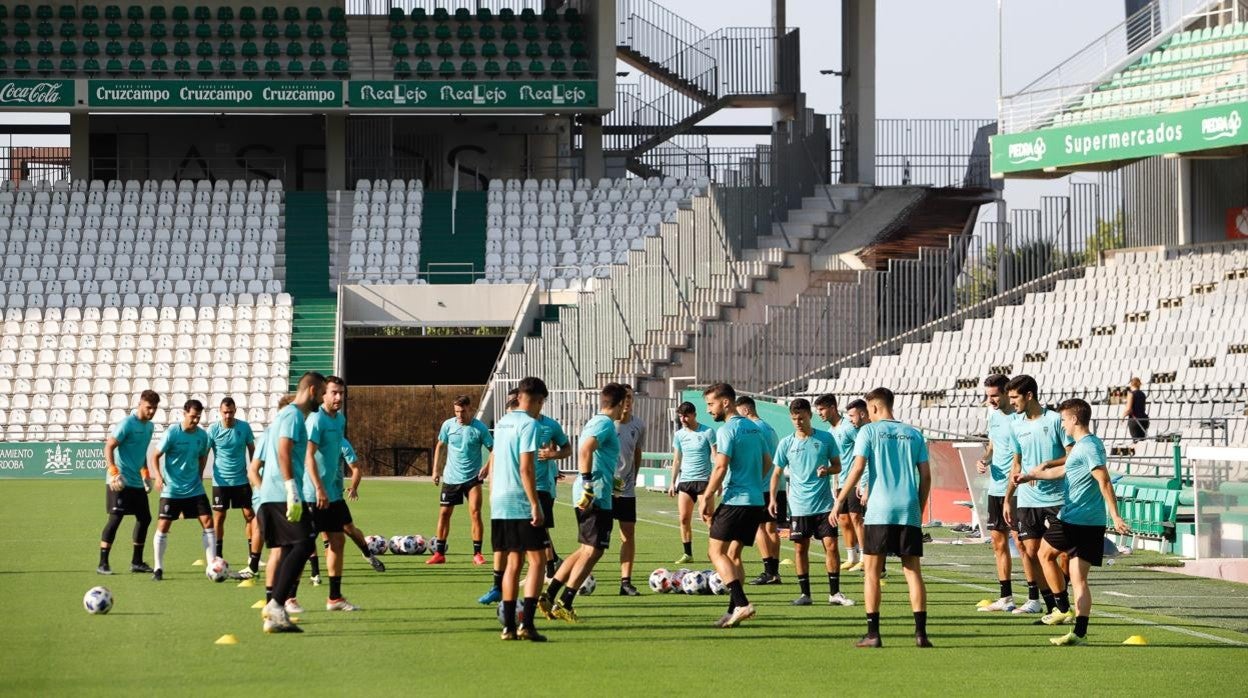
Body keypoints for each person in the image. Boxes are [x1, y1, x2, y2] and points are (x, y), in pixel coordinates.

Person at [1013, 398, 1130, 645]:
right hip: (1087, 522)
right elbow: (1062, 471)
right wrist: (1031, 475)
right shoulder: (1084, 445)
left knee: (1043, 554)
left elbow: (1104, 480)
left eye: (1064, 419)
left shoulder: (1088, 447)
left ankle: (1062, 607)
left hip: (1075, 519)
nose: (1062, 424)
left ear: (1075, 419)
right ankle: (1079, 633)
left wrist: (1116, 515)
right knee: (1078, 578)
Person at [830, 387, 932, 648]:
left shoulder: (868, 431)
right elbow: (926, 476)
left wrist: (840, 500)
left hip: (880, 509)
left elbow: (858, 467)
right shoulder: (914, 433)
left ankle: (873, 634)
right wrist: (917, 508)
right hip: (908, 508)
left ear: (873, 407)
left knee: (872, 573)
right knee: (913, 572)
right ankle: (921, 634)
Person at [539, 383, 627, 623]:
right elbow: (586, 449)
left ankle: (549, 595)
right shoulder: (605, 423)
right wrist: (589, 483)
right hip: (595, 494)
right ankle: (564, 603)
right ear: (621, 403)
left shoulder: (598, 421)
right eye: (626, 404)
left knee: (585, 549)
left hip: (598, 490)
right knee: (593, 550)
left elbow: (593, 453)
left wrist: (610, 479)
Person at [256, 371, 327, 634]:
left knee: (287, 549)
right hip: (279, 493)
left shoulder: (289, 416)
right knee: (305, 542)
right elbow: (284, 450)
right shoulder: (293, 416)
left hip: (274, 494)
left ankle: (273, 616)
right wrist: (291, 489)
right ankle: (276, 604)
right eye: (321, 393)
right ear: (311, 391)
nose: (321, 399)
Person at [1003, 374, 1074, 617]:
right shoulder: (1015, 424)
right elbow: (1017, 463)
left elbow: (1072, 455)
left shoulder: (1055, 420)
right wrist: (1007, 498)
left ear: (1029, 395)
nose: (1011, 402)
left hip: (1057, 498)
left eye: (1015, 397)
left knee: (1060, 555)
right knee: (1032, 553)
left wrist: (1046, 465)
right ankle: (1054, 607)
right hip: (1027, 500)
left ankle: (1062, 599)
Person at [700, 383, 769, 628]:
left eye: (711, 404)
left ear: (726, 402)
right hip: (755, 500)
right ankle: (733, 611)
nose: (708, 410)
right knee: (732, 555)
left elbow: (720, 466)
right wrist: (752, 481)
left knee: (715, 552)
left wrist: (708, 496)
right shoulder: (753, 427)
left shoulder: (727, 430)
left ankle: (741, 603)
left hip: (736, 500)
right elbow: (767, 461)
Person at [773, 398, 853, 607]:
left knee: (832, 546)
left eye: (801, 418)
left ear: (809, 415)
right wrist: (773, 497)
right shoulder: (786, 443)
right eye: (794, 419)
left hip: (824, 506)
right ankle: (805, 594)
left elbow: (838, 466)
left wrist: (827, 470)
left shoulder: (825, 439)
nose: (798, 422)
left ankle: (834, 593)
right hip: (799, 507)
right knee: (800, 549)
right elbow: (776, 472)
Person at [490, 376, 550, 642]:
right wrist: (535, 504)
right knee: (537, 561)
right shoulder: (529, 424)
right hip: (519, 501)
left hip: (499, 501)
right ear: (537, 400)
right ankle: (527, 623)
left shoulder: (503, 422)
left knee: (513, 562)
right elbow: (526, 468)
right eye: (541, 403)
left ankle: (508, 627)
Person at [305, 376, 359, 612]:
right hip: (312, 494)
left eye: (341, 393)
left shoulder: (339, 420)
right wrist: (318, 487)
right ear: (323, 395)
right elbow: (308, 457)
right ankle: (286, 598)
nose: (338, 397)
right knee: (302, 547)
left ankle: (334, 598)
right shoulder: (316, 420)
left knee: (337, 540)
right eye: (334, 393)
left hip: (332, 496)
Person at [149, 399, 214, 582]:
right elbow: (155, 455)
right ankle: (158, 568)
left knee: (208, 522)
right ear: (184, 413)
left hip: (194, 487)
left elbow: (202, 456)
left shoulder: (202, 435)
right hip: (172, 490)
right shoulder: (172, 433)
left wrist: (200, 474)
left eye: (198, 417)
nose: (195, 420)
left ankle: (211, 566)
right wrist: (158, 477)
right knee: (163, 526)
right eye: (193, 416)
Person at [97, 390, 159, 575]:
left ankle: (137, 562)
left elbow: (140, 452)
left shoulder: (149, 427)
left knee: (145, 518)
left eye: (155, 408)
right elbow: (109, 446)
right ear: (140, 404)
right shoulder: (127, 424)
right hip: (120, 481)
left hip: (136, 482)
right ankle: (103, 563)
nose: (151, 412)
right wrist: (113, 472)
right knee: (115, 519)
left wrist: (146, 472)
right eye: (149, 408)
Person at [430, 395, 494, 565]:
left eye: (463, 411)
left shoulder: (480, 428)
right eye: (457, 411)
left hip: (473, 478)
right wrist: (436, 469)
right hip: (451, 477)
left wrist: (487, 467)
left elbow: (494, 450)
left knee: (475, 512)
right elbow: (440, 446)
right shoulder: (448, 425)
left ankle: (477, 554)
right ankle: (439, 554)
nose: (460, 414)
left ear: (469, 409)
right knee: (444, 514)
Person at [975, 374, 1020, 612]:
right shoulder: (993, 417)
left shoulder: (1019, 417)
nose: (990, 400)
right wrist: (984, 459)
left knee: (1023, 545)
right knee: (997, 542)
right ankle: (1006, 597)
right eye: (987, 395)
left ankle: (1035, 598)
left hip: (1015, 490)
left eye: (994, 395)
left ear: (1006, 392)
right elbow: (992, 446)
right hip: (996, 487)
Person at [735, 396, 783, 586]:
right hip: (776, 485)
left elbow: (761, 458)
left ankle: (768, 572)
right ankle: (775, 572)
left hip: (761, 485)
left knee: (759, 528)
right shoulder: (769, 428)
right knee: (771, 529)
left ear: (746, 411)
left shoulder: (754, 428)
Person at [207, 397, 257, 578]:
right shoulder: (213, 429)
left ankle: (252, 556)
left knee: (250, 515)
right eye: (225, 412)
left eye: (231, 412)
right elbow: (204, 453)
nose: (228, 415)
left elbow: (252, 449)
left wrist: (253, 471)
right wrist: (198, 475)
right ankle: (217, 557)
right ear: (220, 412)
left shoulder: (244, 427)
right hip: (220, 482)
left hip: (241, 480)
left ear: (235, 411)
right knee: (219, 517)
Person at [815, 394, 866, 571]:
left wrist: (862, 480)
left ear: (832, 408)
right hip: (839, 482)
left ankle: (865, 557)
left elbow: (862, 451)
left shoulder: (849, 427)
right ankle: (851, 557)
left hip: (853, 480)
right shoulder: (830, 433)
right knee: (843, 519)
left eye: (821, 409)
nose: (819, 413)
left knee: (856, 517)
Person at [667, 401, 715, 564]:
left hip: (704, 482)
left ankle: (715, 551)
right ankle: (688, 554)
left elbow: (715, 457)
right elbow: (677, 459)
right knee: (683, 519)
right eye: (681, 416)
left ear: (694, 415)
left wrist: (718, 481)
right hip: (686, 481)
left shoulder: (708, 432)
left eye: (686, 416)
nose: (683, 419)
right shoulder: (679, 435)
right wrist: (672, 482)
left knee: (708, 518)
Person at [614, 385, 647, 596]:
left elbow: (636, 451)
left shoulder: (638, 424)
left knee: (628, 534)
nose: (627, 400)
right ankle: (576, 581)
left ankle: (626, 582)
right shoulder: (606, 423)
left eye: (630, 396)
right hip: (603, 490)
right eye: (624, 397)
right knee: (594, 542)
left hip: (626, 490)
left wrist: (634, 478)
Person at [339, 438, 386, 573]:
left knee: (349, 530)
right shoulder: (309, 441)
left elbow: (356, 469)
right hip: (311, 496)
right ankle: (315, 572)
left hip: (334, 497)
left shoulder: (342, 443)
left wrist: (353, 487)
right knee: (312, 535)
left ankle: (368, 554)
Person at [1124, 377, 1149, 442]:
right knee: (1142, 441)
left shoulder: (1131, 394)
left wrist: (1122, 417)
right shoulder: (1143, 394)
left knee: (1136, 441)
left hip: (1135, 420)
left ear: (1131, 384)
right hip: (1143, 419)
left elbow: (1129, 409)